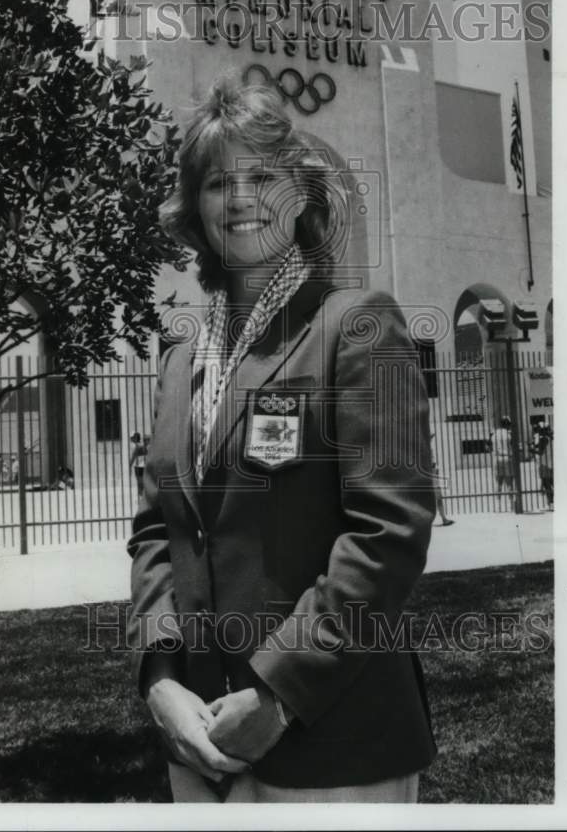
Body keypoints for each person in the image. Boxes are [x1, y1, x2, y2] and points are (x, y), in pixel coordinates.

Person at [127, 79, 438, 803]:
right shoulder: (182, 361)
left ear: (300, 195)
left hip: (332, 743)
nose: (238, 199)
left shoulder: (359, 323)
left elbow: (388, 534)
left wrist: (277, 693)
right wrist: (160, 676)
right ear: (194, 209)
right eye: (216, 182)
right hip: (199, 741)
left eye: (261, 176)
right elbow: (155, 533)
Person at [429, 432, 454, 526]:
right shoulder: (426, 449)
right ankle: (444, 519)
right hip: (431, 474)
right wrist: (434, 469)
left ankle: (442, 518)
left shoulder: (425, 448)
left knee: (433, 498)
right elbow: (430, 463)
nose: (431, 438)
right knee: (438, 497)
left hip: (431, 473)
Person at [490, 416, 515, 509]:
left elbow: (489, 446)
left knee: (499, 482)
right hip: (507, 458)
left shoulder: (494, 434)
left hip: (497, 458)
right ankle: (511, 505)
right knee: (509, 483)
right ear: (507, 424)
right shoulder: (509, 434)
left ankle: (498, 505)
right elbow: (513, 445)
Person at [530, 420, 553, 509]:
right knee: (548, 483)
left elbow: (540, 451)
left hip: (545, 464)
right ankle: (550, 502)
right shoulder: (549, 438)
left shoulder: (543, 439)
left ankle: (551, 503)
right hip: (549, 463)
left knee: (547, 484)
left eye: (539, 429)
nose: (538, 430)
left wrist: (531, 450)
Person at [129, 432, 148, 499]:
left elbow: (133, 457)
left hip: (138, 467)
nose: (131, 439)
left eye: (132, 438)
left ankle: (141, 497)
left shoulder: (136, 447)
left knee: (140, 482)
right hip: (145, 466)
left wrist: (130, 465)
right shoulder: (143, 446)